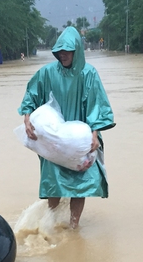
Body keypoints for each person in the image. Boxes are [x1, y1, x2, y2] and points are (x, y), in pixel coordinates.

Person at [18, 26, 115, 228]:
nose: (62, 55)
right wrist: (27, 118)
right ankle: (51, 224)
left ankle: (73, 226)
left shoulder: (89, 74)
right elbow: (31, 95)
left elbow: (96, 105)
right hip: (55, 139)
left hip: (80, 139)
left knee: (81, 183)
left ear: (77, 50)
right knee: (54, 182)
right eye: (60, 51)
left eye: (67, 51)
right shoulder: (47, 73)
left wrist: (95, 135)